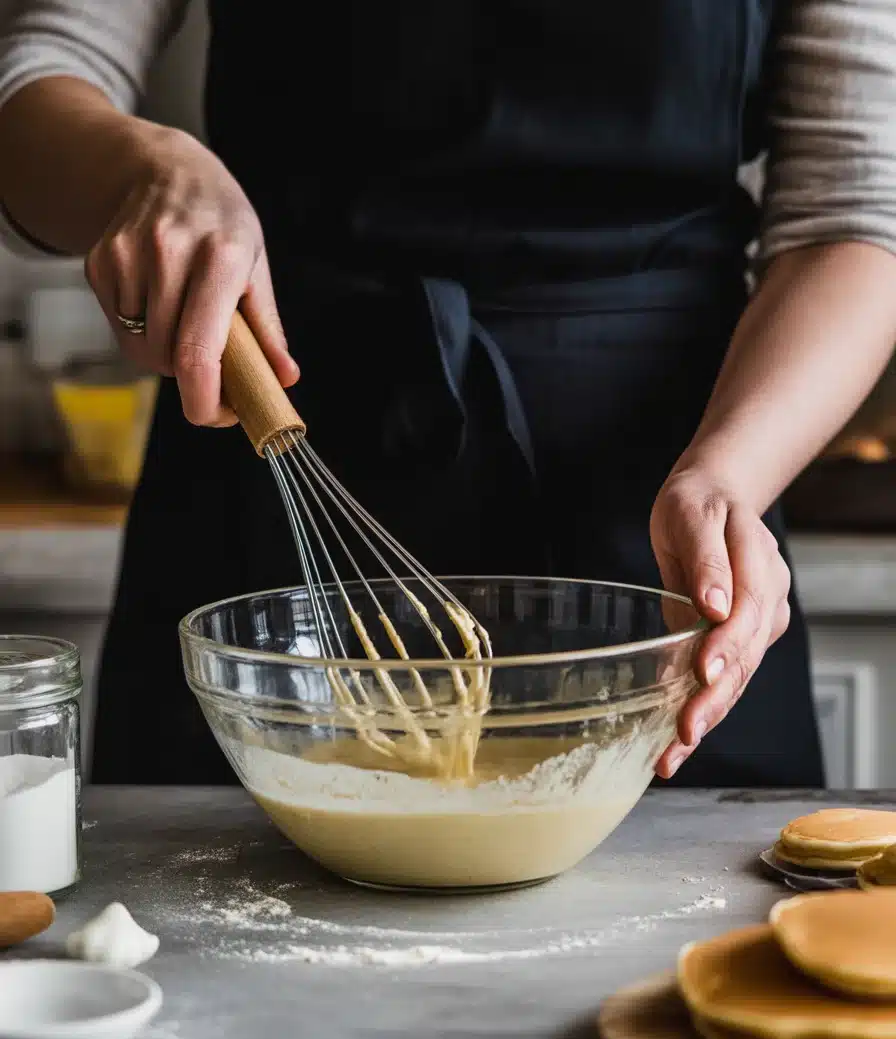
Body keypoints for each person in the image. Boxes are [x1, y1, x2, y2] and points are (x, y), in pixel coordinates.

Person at [1, 1, 895, 789]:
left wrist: (731, 475)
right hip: (273, 470)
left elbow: (856, 213)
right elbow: (37, 81)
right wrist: (137, 170)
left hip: (671, 510)